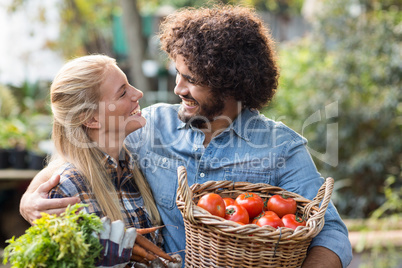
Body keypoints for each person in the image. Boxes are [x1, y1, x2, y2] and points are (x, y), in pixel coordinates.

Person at [20, 5, 352, 268]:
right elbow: (79, 156)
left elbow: (332, 233)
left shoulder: (280, 147)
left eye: (189, 79)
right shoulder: (149, 127)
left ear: (228, 85)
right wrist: (29, 200)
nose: (178, 88)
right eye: (177, 74)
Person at [44, 54, 175, 267]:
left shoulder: (135, 168)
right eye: (123, 92)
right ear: (91, 119)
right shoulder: (68, 191)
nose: (138, 93)